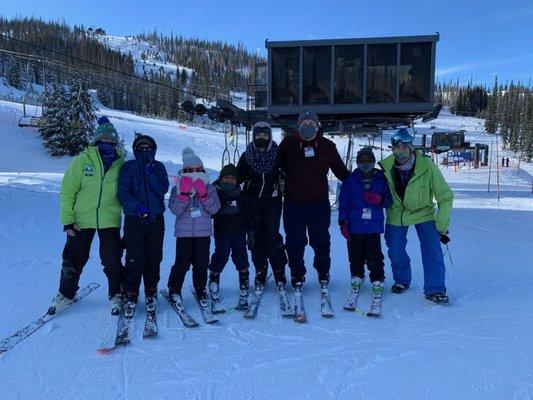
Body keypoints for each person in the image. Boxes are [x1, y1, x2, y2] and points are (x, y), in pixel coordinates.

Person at [49, 116, 125, 315]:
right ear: (96, 140)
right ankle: (66, 294)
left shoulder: (121, 163)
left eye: (111, 140)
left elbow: (126, 192)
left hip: (109, 219)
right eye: (103, 140)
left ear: (115, 142)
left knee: (112, 258)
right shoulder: (82, 161)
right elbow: (68, 191)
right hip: (81, 220)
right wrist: (68, 221)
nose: (107, 143)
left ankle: (116, 293)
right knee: (74, 258)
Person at [278, 111, 350, 300]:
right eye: (304, 122)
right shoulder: (288, 144)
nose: (308, 125)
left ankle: (323, 272)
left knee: (320, 241)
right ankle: (297, 273)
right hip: (294, 204)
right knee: (295, 241)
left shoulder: (327, 146)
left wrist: (361, 183)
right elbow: (273, 168)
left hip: (319, 203)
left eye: (312, 122)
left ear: (318, 126)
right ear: (298, 125)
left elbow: (342, 172)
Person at [379, 128, 453, 304]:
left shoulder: (427, 166)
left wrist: (441, 225)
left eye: (405, 146)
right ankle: (402, 280)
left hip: (424, 212)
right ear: (392, 149)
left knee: (432, 249)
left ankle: (435, 289)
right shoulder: (386, 168)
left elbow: (445, 196)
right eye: (396, 147)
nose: (401, 151)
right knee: (395, 250)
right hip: (397, 214)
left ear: (411, 148)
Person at [118, 135, 169, 315]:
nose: (145, 151)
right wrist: (139, 208)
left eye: (148, 148)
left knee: (154, 256)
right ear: (135, 150)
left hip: (155, 219)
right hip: (135, 219)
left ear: (153, 149)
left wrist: (150, 174)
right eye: (141, 148)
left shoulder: (159, 167)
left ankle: (150, 289)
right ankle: (131, 291)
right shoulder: (128, 167)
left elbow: (162, 190)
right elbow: (123, 193)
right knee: (134, 257)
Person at [237, 121, 288, 297]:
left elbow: (290, 171)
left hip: (272, 201)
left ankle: (279, 271)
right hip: (252, 202)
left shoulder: (278, 154)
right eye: (258, 136)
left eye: (265, 136)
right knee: (255, 237)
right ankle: (261, 270)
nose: (261, 139)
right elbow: (236, 177)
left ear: (270, 137)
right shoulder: (247, 156)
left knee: (272, 237)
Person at [338, 148, 392, 317]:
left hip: (373, 226)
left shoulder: (382, 179)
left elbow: (389, 200)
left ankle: (377, 278)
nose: (365, 163)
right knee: (355, 255)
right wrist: (343, 223)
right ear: (357, 162)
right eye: (362, 160)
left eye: (369, 159)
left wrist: (380, 200)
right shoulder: (350, 180)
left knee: (375, 255)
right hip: (355, 226)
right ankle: (357, 276)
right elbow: (344, 202)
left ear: (374, 161)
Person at [166, 148, 220, 308]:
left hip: (203, 233)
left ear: (202, 170)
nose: (194, 172)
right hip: (184, 234)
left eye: (197, 169)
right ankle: (174, 289)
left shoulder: (209, 188)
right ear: (184, 171)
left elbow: (215, 209)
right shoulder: (177, 188)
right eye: (190, 170)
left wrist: (204, 196)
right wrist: (184, 195)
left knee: (201, 263)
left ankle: (200, 288)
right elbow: (175, 209)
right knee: (182, 263)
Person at [208, 164, 250, 310]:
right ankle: (213, 280)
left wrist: (250, 231)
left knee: (241, 257)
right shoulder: (215, 192)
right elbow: (211, 212)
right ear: (221, 178)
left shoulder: (241, 194)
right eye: (227, 177)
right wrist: (223, 211)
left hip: (239, 233)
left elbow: (246, 213)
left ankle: (244, 284)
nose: (230, 180)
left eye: (233, 178)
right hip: (223, 233)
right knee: (221, 256)